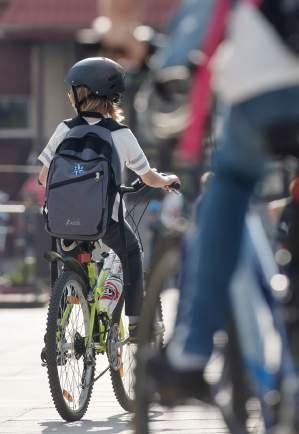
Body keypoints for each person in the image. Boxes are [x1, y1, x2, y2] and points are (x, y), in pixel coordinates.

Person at [145, 0, 299, 402]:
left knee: (227, 189)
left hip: (271, 86)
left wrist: (156, 58)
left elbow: (191, 36)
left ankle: (192, 354)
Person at [38, 57, 180, 341]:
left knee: (69, 261)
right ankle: (139, 324)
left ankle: (58, 330)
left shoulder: (65, 129)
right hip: (107, 222)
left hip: (61, 221)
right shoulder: (120, 134)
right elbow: (148, 176)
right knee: (132, 254)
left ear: (82, 95)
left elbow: (44, 176)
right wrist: (166, 181)